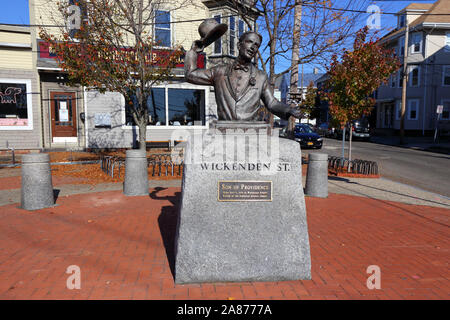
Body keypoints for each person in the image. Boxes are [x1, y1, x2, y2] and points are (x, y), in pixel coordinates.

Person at [184, 31, 302, 121]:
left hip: (251, 131)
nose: (253, 47)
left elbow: (271, 103)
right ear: (239, 45)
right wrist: (193, 51)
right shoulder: (219, 71)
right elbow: (191, 74)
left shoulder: (261, 76)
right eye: (249, 42)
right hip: (224, 131)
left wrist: (288, 109)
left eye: (256, 45)